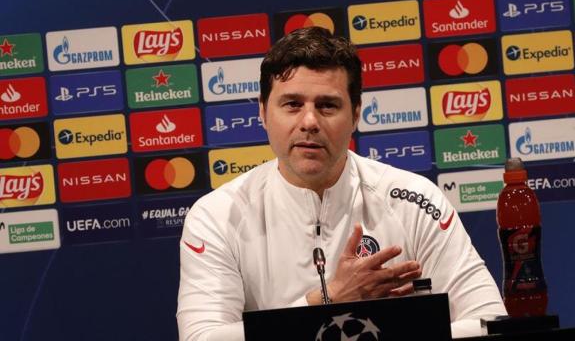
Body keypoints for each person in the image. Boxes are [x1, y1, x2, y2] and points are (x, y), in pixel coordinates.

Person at [177, 26, 506, 341]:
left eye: (327, 106)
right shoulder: (216, 217)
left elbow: (489, 320)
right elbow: (201, 338)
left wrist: (396, 328)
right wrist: (326, 299)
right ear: (263, 113)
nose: (309, 122)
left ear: (356, 113)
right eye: (292, 104)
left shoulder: (415, 200)